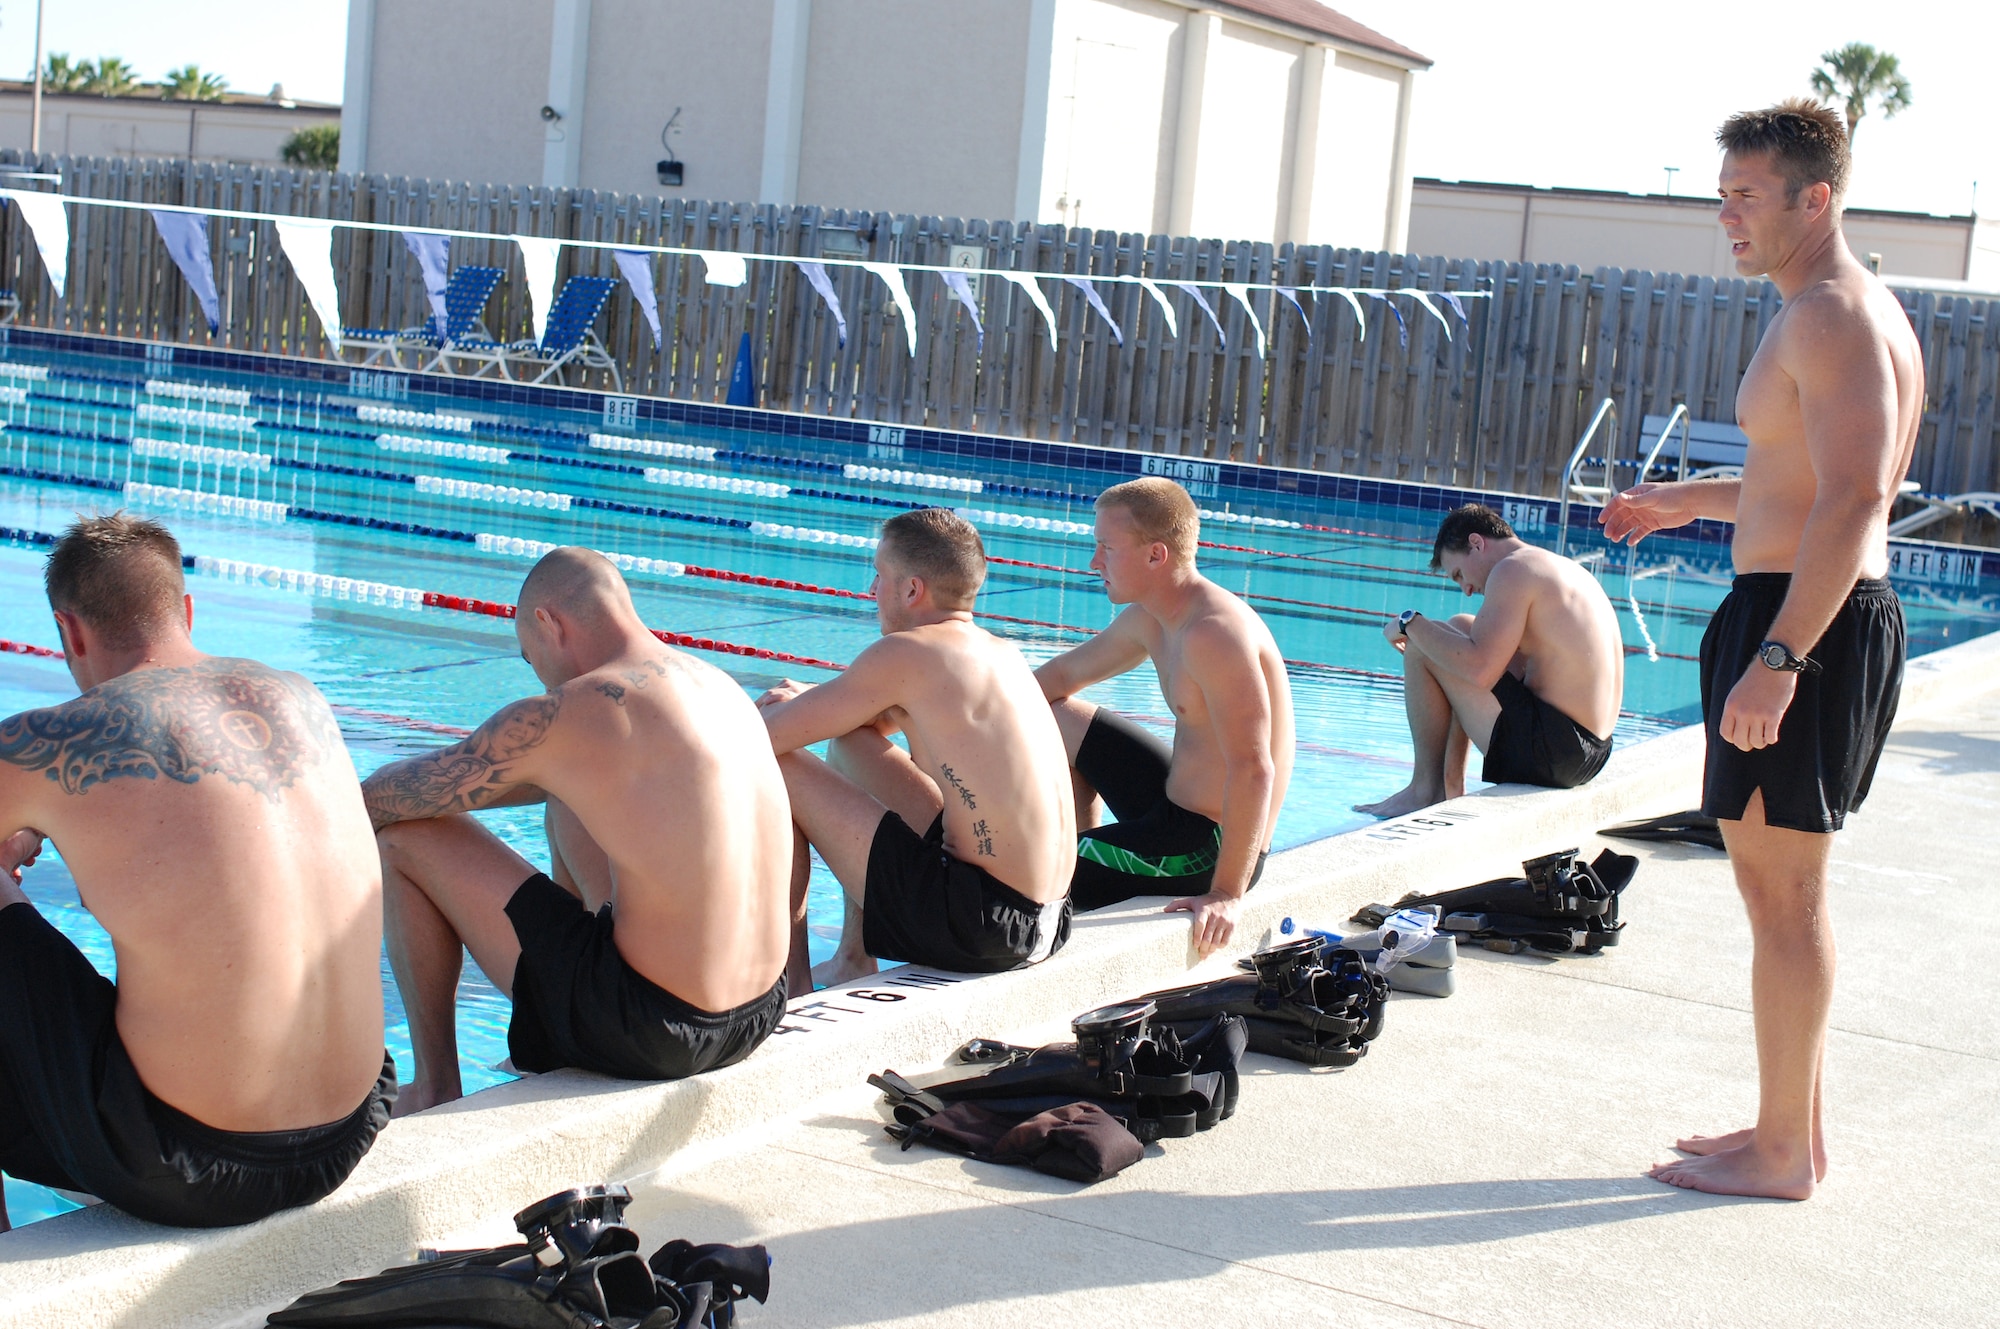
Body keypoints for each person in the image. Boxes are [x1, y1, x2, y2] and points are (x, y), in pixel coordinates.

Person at [1601, 100, 1920, 1200]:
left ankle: (1782, 1153)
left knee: (1783, 897)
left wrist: (1777, 661)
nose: (1723, 215)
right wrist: (1679, 502)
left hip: (1806, 621)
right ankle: (1790, 1132)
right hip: (1792, 604)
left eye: (1745, 196)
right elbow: (1795, 481)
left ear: (1811, 198)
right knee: (1774, 891)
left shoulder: (1829, 314)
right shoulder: (1834, 309)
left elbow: (1853, 499)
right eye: (1722, 193)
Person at [0, 514, 394, 1231]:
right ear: (185, 609)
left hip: (188, 1167)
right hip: (354, 1129)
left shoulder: (42, 742)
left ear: (70, 632)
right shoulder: (304, 696)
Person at [363, 548, 791, 1113]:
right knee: (562, 792)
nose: (536, 676)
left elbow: (383, 799)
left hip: (654, 1029)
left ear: (548, 623)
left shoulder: (574, 710)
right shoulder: (717, 685)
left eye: (527, 657)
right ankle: (551, 1022)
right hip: (758, 1011)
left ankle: (435, 1084)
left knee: (404, 839)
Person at [758, 508, 1074, 989]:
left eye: (879, 576)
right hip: (1046, 922)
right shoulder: (1000, 653)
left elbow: (764, 740)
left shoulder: (907, 653)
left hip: (981, 926)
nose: (871, 591)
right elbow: (858, 720)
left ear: (912, 589)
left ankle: (789, 987)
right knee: (850, 746)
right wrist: (813, 700)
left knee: (776, 766)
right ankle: (853, 958)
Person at [1033, 477, 1294, 957]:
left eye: (1106, 548)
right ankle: (1093, 847)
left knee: (1030, 872)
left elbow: (1254, 767)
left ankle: (1080, 866)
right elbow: (1054, 679)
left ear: (1156, 555)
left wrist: (1226, 893)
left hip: (1209, 846)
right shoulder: (1153, 617)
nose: (1094, 563)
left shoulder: (1213, 634)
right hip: (1171, 803)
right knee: (1050, 715)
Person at [1354, 504, 1623, 818]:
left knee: (1419, 646)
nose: (1466, 589)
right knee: (1460, 625)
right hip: (1591, 752)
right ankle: (1450, 784)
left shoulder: (1512, 571)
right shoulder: (1554, 567)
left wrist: (1409, 622)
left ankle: (1424, 789)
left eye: (1459, 574)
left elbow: (1480, 671)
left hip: (1556, 754)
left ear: (1476, 543)